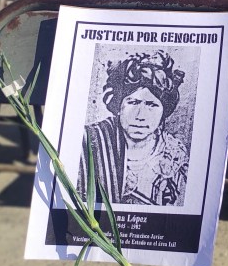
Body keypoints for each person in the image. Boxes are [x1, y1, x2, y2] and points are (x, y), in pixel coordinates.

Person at [78, 51, 188, 205]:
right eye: (133, 102)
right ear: (118, 106)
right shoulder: (91, 140)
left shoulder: (174, 156)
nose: (140, 115)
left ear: (164, 111)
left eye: (151, 105)